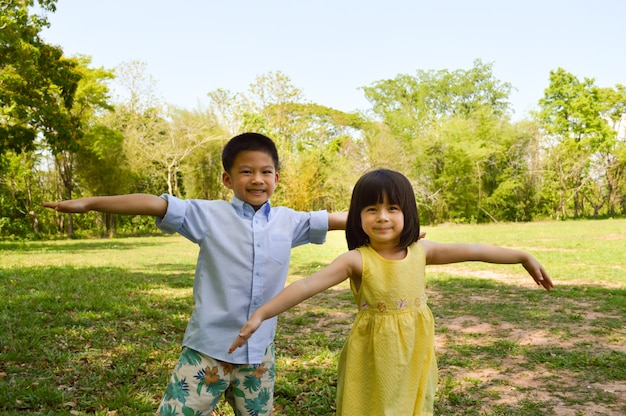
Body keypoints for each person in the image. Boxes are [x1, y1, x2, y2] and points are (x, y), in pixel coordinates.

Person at [43, 132, 348, 416]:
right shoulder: (208, 215)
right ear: (227, 179)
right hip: (207, 350)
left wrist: (390, 215)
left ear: (276, 178)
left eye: (266, 172)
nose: (257, 179)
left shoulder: (288, 221)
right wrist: (90, 203)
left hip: (258, 355)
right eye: (246, 171)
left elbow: (344, 219)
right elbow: (154, 204)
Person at [228, 168, 554, 416]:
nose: (382, 216)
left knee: (413, 405)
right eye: (371, 209)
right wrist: (262, 313)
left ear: (407, 212)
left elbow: (476, 249)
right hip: (371, 357)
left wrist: (522, 257)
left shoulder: (422, 251)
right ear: (357, 216)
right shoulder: (356, 259)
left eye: (392, 208)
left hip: (415, 353)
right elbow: (306, 285)